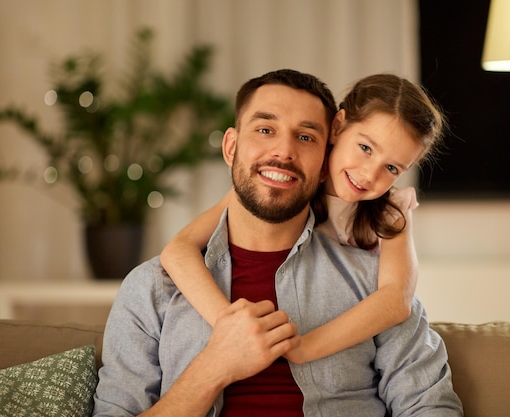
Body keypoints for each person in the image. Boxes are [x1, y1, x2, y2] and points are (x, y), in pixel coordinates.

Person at [93, 69, 462, 416]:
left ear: (324, 156)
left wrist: (303, 348)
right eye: (265, 130)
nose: (284, 152)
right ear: (231, 147)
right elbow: (178, 248)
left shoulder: (373, 276)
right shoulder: (152, 288)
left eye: (305, 137)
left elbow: (428, 401)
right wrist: (216, 361)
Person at [160, 73, 444, 364]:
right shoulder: (288, 183)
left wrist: (305, 348)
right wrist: (230, 325)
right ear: (338, 126)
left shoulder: (390, 212)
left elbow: (397, 301)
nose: (370, 174)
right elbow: (178, 249)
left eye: (393, 168)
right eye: (366, 148)